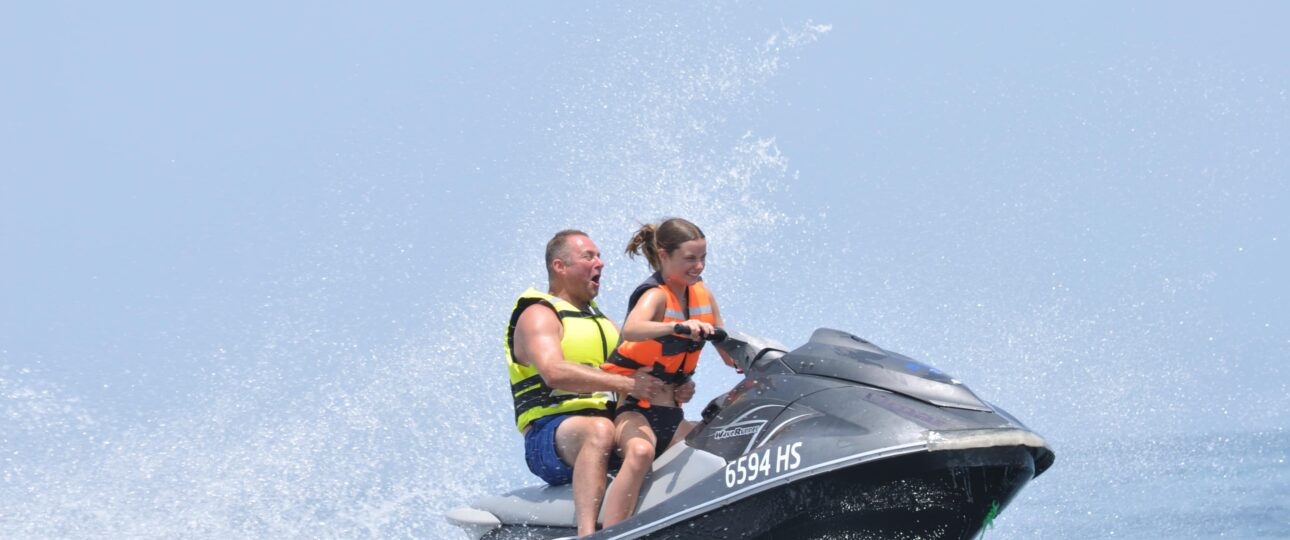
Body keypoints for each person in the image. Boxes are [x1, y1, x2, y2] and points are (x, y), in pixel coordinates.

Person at [505, 229, 665, 538]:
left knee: (665, 430)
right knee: (599, 430)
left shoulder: (604, 324)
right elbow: (554, 372)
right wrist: (626, 383)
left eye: (600, 256)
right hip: (550, 436)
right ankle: (589, 534)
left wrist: (673, 386)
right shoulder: (538, 314)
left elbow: (638, 373)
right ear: (559, 267)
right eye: (588, 256)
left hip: (605, 425)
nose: (600, 263)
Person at [598, 218, 737, 527]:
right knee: (640, 451)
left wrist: (748, 355)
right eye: (690, 258)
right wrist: (677, 327)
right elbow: (632, 330)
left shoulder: (704, 297)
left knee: (720, 449)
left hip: (673, 416)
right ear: (664, 255)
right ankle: (612, 533)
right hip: (635, 412)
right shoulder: (655, 295)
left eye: (703, 257)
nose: (699, 266)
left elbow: (728, 352)